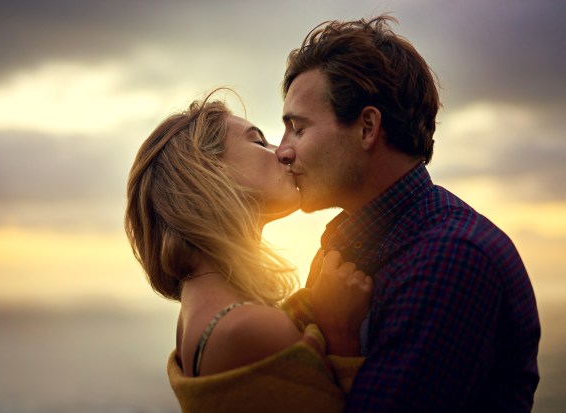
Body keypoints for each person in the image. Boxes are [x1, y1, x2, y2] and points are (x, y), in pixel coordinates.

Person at [275, 15, 541, 412]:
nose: (283, 150)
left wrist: (340, 337)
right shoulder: (351, 243)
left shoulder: (452, 259)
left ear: (367, 127)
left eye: (298, 128)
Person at [124, 91, 373, 413]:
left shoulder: (198, 310)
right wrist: (341, 337)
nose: (283, 152)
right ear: (208, 170)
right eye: (258, 142)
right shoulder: (250, 329)